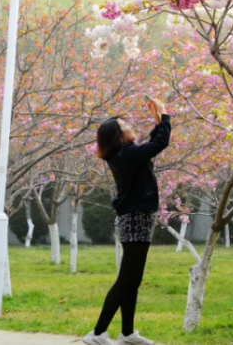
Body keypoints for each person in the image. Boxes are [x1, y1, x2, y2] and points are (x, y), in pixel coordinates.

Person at [83, 98, 171, 345]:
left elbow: (152, 144)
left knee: (132, 279)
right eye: (126, 125)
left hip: (136, 219)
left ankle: (127, 333)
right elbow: (160, 143)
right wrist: (164, 116)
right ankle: (98, 334)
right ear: (118, 136)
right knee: (126, 280)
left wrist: (158, 122)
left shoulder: (124, 154)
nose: (132, 127)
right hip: (134, 220)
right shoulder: (126, 154)